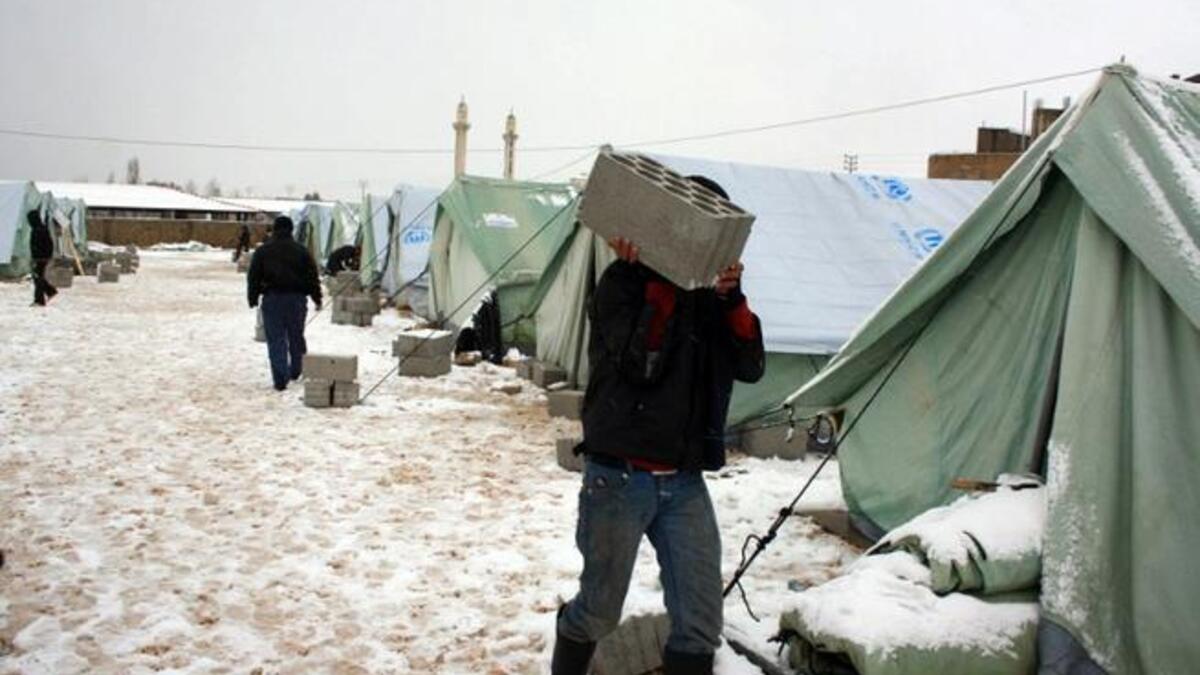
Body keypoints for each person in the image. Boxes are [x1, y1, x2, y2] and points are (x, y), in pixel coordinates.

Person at [553, 177, 765, 675]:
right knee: (599, 613)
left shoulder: (714, 299)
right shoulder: (622, 284)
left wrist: (731, 301)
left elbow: (751, 364)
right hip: (619, 476)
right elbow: (641, 363)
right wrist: (662, 279)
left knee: (700, 621)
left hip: (684, 482)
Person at [247, 216, 322, 391]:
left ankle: (280, 378)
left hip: (272, 299)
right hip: (297, 299)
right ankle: (296, 370)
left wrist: (253, 297)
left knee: (276, 338)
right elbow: (312, 276)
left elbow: (254, 276)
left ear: (274, 229)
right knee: (296, 335)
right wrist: (316, 298)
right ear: (291, 230)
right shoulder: (302, 251)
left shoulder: (263, 251)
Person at [28, 210, 57, 307]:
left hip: (40, 258)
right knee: (38, 277)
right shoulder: (41, 228)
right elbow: (50, 244)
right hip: (41, 257)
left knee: (38, 278)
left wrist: (41, 257)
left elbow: (45, 245)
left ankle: (40, 300)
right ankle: (50, 291)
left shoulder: (38, 230)